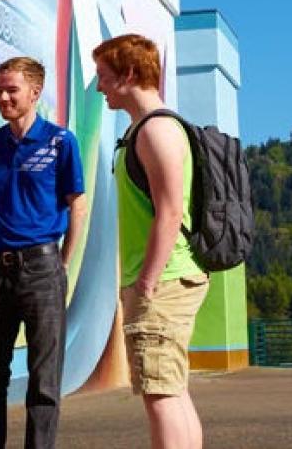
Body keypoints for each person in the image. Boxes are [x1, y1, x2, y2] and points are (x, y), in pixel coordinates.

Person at [92, 34, 210, 449]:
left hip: (162, 283)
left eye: (104, 76)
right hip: (168, 280)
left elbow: (171, 211)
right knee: (172, 392)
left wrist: (145, 284)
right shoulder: (146, 129)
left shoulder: (156, 131)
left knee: (160, 395)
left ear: (128, 75)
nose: (99, 86)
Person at [0, 56, 87, 449]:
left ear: (34, 93)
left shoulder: (61, 142)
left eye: (11, 89)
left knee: (44, 381)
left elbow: (77, 207)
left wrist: (61, 264)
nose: (2, 96)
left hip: (43, 268)